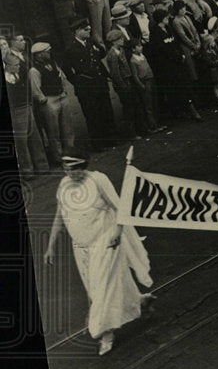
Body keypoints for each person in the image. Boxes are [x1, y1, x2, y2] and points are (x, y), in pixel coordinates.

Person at [43, 152, 154, 356]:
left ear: (84, 167)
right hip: (81, 245)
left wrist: (118, 233)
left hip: (106, 240)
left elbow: (119, 208)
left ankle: (105, 333)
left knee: (102, 287)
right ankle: (138, 301)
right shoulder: (64, 185)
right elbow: (60, 215)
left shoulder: (98, 180)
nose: (70, 173)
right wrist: (51, 245)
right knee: (94, 288)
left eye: (75, 169)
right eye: (66, 169)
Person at [63, 17, 117, 150]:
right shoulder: (71, 48)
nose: (89, 30)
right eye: (85, 29)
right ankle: (98, 144)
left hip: (99, 82)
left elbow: (100, 56)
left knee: (106, 111)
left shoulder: (91, 42)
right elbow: (67, 69)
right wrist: (78, 82)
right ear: (77, 31)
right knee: (93, 115)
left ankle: (110, 139)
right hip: (86, 87)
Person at [3, 32, 49, 178]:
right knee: (21, 140)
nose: (3, 47)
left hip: (26, 103)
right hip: (14, 107)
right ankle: (27, 169)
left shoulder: (13, 60)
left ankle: (42, 165)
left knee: (34, 135)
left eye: (4, 44)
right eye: (0, 45)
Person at [28, 42, 76, 166]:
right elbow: (35, 88)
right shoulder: (34, 70)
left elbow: (62, 77)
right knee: (53, 130)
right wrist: (43, 100)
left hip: (61, 96)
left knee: (67, 127)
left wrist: (64, 90)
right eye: (46, 51)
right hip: (50, 100)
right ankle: (58, 156)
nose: (49, 53)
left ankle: (70, 151)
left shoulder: (53, 63)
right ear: (38, 55)